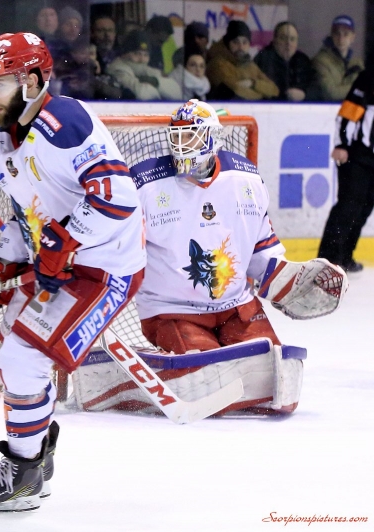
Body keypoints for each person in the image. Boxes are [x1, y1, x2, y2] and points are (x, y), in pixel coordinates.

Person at [0, 32, 145, 512]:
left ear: (35, 79)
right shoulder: (2, 142)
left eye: (0, 84)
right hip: (66, 261)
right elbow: (29, 214)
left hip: (106, 267)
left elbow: (118, 198)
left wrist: (63, 243)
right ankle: (36, 460)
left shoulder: (65, 122)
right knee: (14, 351)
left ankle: (23, 471)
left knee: (24, 357)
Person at [130, 99, 346, 375]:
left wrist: (290, 281)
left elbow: (260, 250)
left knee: (271, 373)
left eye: (191, 136)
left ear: (213, 138)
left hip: (237, 309)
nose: (182, 145)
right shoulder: (145, 184)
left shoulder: (245, 179)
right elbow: (122, 251)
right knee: (208, 376)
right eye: (178, 136)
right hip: (173, 311)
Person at [317, 70, 374, 273]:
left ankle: (345, 255)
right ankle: (328, 260)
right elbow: (349, 112)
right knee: (349, 206)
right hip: (358, 154)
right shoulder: (370, 76)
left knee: (364, 209)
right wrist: (342, 144)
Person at [206, 20, 278, 100]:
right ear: (228, 43)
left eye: (245, 42)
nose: (241, 47)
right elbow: (236, 92)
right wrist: (262, 94)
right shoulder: (217, 64)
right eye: (236, 42)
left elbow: (274, 90)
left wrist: (253, 83)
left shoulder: (251, 66)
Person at [107, 30, 182, 101]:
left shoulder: (147, 70)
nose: (142, 59)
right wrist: (160, 91)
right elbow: (141, 94)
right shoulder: (117, 68)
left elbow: (177, 93)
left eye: (146, 55)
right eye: (136, 54)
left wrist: (155, 82)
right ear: (124, 54)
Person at [254, 22, 319, 102]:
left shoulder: (303, 60)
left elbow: (317, 88)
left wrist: (304, 94)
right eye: (283, 38)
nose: (288, 43)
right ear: (274, 40)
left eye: (292, 39)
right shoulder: (262, 58)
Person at [312, 15, 364, 102]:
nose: (341, 39)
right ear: (332, 36)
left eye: (346, 34)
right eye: (337, 33)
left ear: (353, 37)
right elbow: (332, 94)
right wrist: (359, 88)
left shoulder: (358, 63)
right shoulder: (320, 61)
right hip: (325, 113)